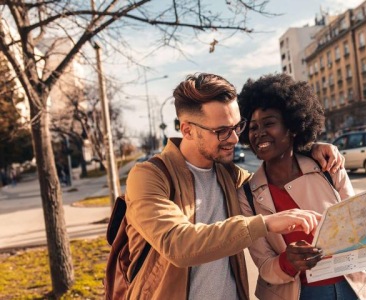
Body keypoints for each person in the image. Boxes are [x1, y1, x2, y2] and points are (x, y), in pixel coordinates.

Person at [124, 73, 346, 299]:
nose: (233, 139)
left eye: (237, 127)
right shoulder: (149, 177)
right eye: (221, 131)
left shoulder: (231, 176)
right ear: (188, 130)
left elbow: (277, 159)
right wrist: (266, 223)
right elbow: (178, 245)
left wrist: (310, 147)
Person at [237, 73, 366, 300]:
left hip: (351, 286)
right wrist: (287, 262)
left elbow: (356, 230)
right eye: (252, 127)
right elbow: (263, 264)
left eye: (269, 123)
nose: (259, 133)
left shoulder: (328, 168)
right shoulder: (247, 195)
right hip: (299, 294)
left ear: (292, 127)